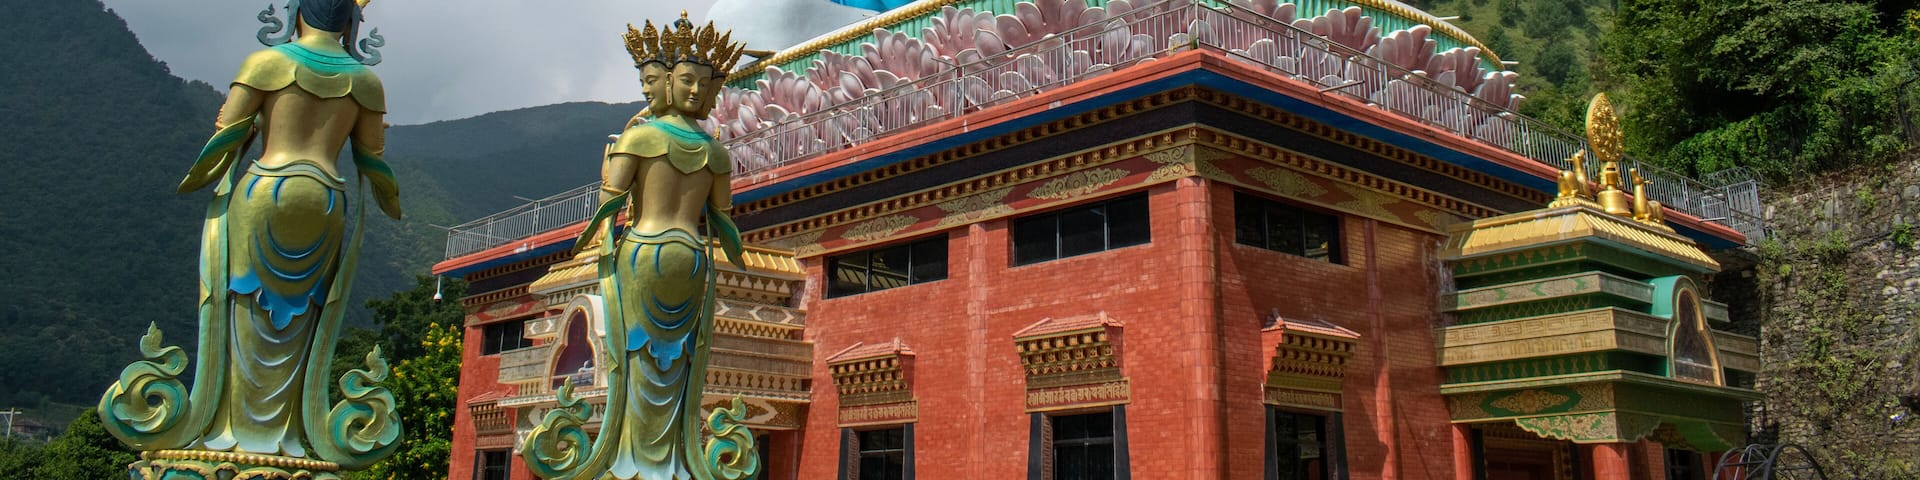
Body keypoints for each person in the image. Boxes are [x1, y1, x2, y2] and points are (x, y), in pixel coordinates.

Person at [99, 0, 401, 472]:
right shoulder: (365, 81)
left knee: (243, 304)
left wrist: (228, 149)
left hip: (266, 189)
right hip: (325, 200)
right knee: (304, 317)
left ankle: (226, 428)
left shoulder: (267, 63)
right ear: (350, 21)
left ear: (296, 11)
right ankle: (288, 436)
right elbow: (372, 156)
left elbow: (227, 130)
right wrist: (391, 199)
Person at [522, 13, 758, 480]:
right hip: (691, 258)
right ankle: (670, 461)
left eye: (702, 83)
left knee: (643, 359)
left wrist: (589, 236)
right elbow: (724, 223)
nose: (695, 91)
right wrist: (739, 258)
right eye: (687, 81)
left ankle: (636, 459)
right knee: (671, 360)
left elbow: (610, 203)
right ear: (672, 81)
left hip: (646, 251)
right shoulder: (714, 151)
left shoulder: (641, 137)